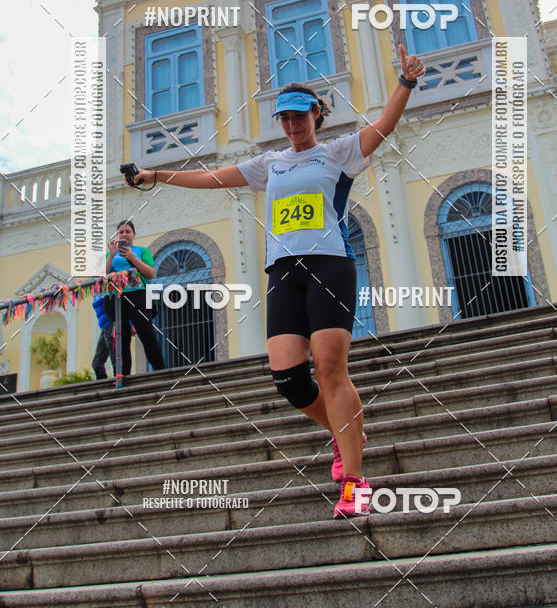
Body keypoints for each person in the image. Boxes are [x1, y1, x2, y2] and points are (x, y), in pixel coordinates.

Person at [128, 44, 425, 516]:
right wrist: (157, 174)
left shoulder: (339, 153)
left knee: (330, 369)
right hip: (284, 272)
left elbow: (383, 127)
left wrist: (405, 83)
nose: (291, 125)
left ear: (317, 114)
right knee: (287, 376)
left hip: (330, 265)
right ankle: (343, 429)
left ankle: (354, 481)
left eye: (299, 116)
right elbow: (213, 178)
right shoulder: (270, 164)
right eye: (284, 119)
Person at [103, 219, 165, 376]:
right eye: (121, 232)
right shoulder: (110, 253)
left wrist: (131, 257)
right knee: (122, 338)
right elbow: (101, 275)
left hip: (138, 293)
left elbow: (150, 273)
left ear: (133, 234)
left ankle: (161, 372)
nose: (124, 235)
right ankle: (124, 377)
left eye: (127, 232)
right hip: (115, 297)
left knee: (146, 333)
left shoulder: (141, 251)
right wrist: (111, 256)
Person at [91, 294, 115, 380]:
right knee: (97, 363)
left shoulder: (108, 290)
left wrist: (130, 324)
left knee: (115, 358)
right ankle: (105, 387)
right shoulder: (97, 290)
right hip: (105, 326)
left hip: (111, 325)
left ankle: (118, 383)